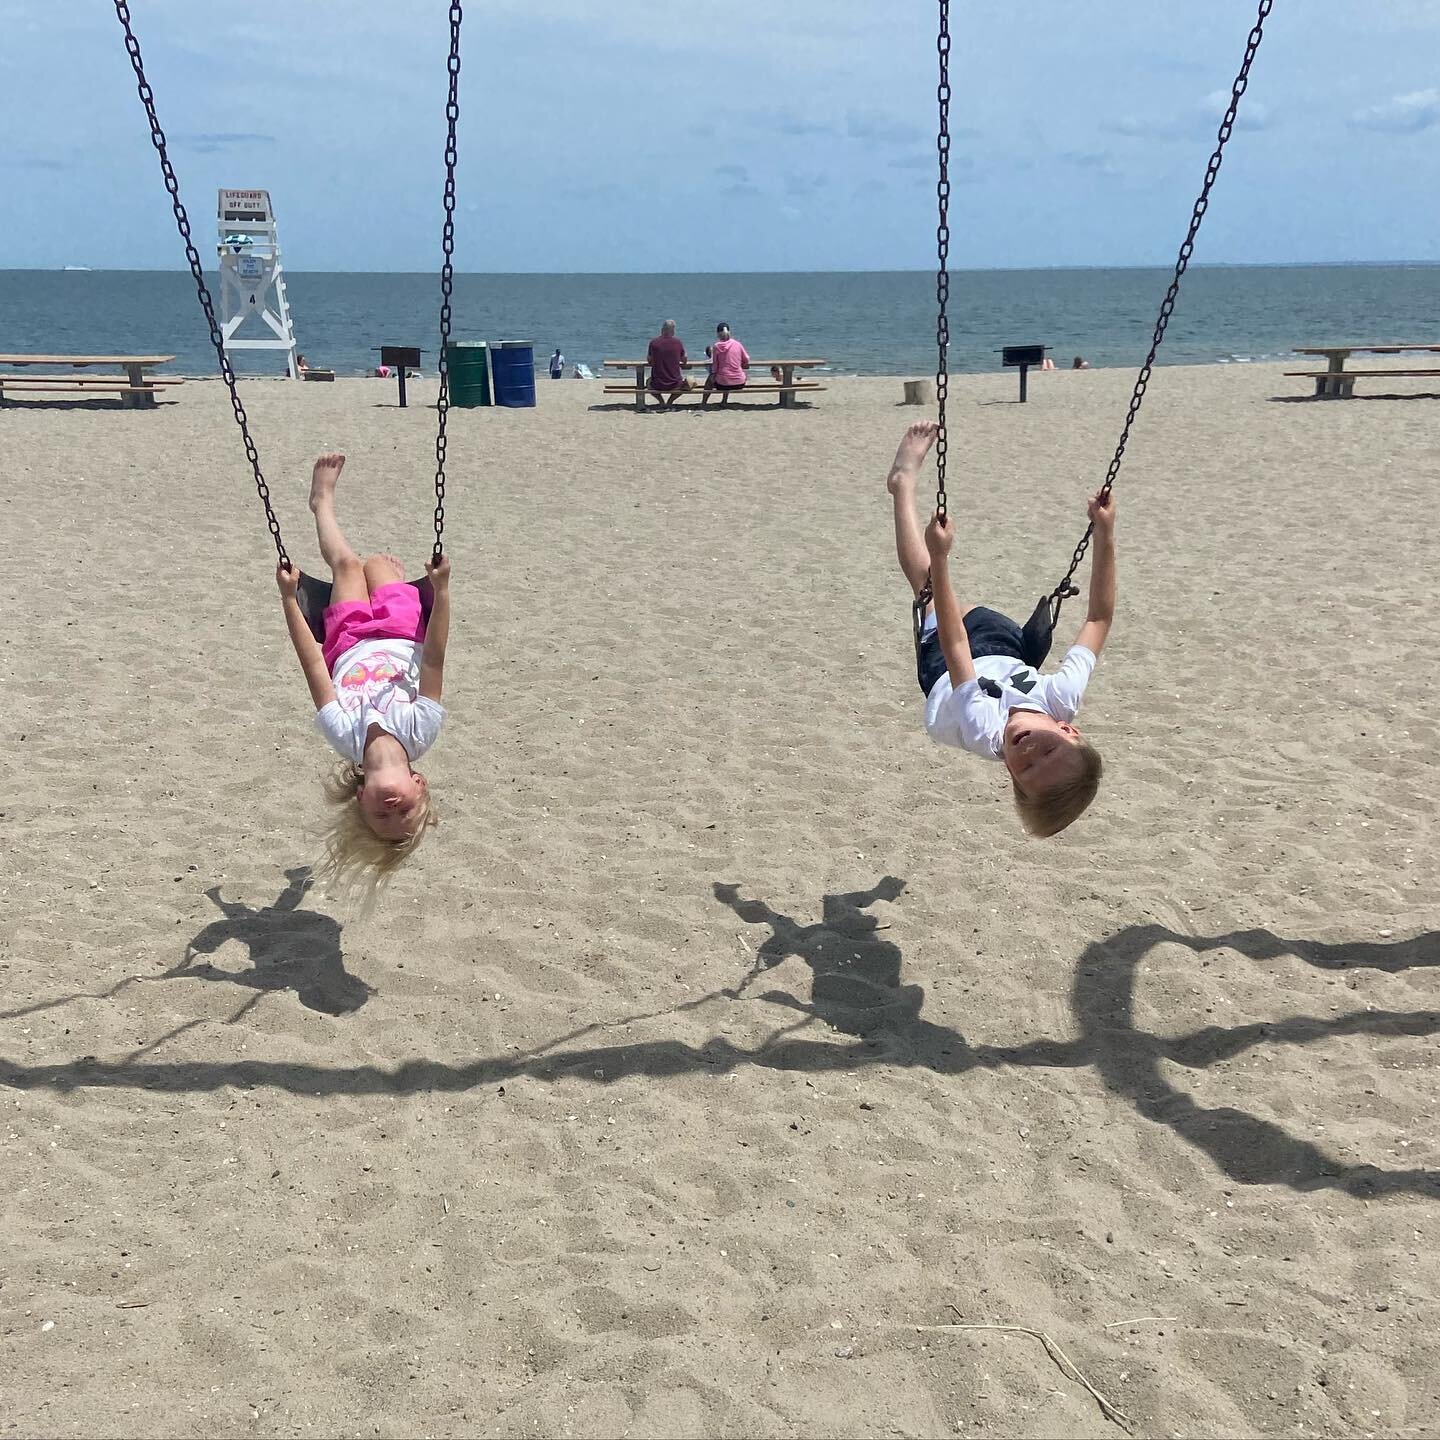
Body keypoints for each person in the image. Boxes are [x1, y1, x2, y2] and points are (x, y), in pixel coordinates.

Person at [886, 420, 1113, 836]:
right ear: (1067, 728)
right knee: (982, 620)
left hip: (948, 676)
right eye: (1047, 749)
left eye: (1025, 765)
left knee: (929, 589)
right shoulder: (1062, 698)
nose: (1029, 750)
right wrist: (1105, 531)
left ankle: (901, 485)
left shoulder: (981, 728)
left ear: (1009, 771)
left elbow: (955, 644)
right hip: (1006, 654)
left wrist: (941, 558)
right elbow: (1098, 619)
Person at [276, 453, 449, 891]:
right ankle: (389, 576)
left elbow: (312, 662)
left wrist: (290, 599)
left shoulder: (343, 734)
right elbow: (433, 659)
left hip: (347, 639)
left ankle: (322, 501)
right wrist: (442, 592)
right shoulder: (421, 730)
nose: (392, 807)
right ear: (419, 783)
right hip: (403, 629)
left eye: (381, 814)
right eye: (404, 811)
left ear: (360, 799)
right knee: (378, 565)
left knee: (350, 566)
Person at [702, 323, 750, 407]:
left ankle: (704, 403)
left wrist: (713, 373)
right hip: (739, 382)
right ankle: (724, 401)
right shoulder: (738, 344)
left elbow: (715, 365)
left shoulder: (716, 346)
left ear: (718, 334)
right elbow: (747, 359)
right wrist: (740, 363)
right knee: (726, 374)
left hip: (723, 384)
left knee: (711, 378)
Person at [646, 319, 690, 409]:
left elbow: (649, 359)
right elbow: (684, 360)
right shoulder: (678, 342)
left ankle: (661, 401)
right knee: (687, 384)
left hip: (657, 383)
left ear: (662, 329)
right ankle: (670, 401)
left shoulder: (653, 343)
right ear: (673, 330)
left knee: (648, 383)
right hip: (675, 384)